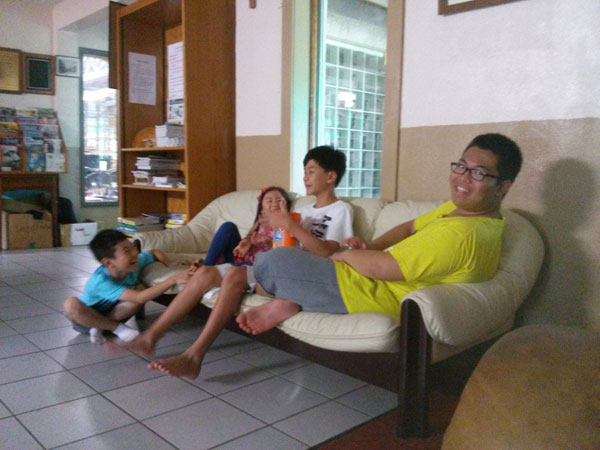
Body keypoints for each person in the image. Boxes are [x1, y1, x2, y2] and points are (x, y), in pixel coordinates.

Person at [236, 133, 523, 335]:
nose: (462, 178)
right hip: (362, 275)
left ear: (503, 186)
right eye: (461, 166)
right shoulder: (459, 210)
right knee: (274, 260)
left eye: (478, 173)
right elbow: (409, 227)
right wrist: (371, 245)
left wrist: (343, 254)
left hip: (365, 292)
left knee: (272, 261)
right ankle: (287, 300)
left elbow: (382, 268)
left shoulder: (464, 235)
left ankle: (286, 300)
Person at [129, 145, 353, 379]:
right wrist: (255, 240)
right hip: (279, 264)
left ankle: (194, 356)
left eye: (311, 171)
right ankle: (151, 336)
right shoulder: (303, 210)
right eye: (304, 171)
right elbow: (284, 243)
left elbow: (328, 254)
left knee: (235, 275)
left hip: (302, 273)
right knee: (205, 274)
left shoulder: (341, 210)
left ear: (331, 176)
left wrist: (288, 224)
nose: (305, 177)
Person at [64, 229, 192, 344]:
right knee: (71, 304)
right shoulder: (101, 281)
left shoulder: (134, 262)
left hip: (114, 313)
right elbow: (140, 298)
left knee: (141, 288)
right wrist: (173, 279)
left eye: (132, 247)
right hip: (87, 319)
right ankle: (115, 328)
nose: (135, 253)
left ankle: (102, 327)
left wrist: (168, 262)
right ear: (108, 262)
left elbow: (154, 252)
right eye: (126, 251)